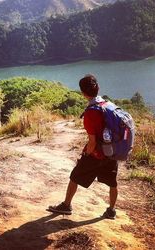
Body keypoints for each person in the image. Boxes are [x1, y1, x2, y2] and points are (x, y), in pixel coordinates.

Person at [48, 74, 118, 219]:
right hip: (111, 152)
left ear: (83, 93)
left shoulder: (90, 113)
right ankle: (111, 210)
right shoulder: (108, 105)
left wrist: (86, 155)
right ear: (98, 88)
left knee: (74, 176)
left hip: (96, 154)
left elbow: (92, 141)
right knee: (112, 182)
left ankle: (66, 206)